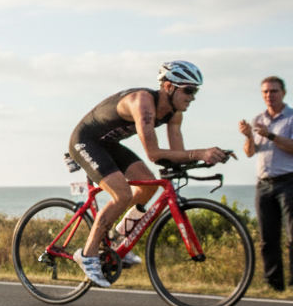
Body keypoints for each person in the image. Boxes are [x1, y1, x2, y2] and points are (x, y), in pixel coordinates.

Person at [67, 61, 230, 287]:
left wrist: (205, 158)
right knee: (122, 194)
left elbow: (177, 154)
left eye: (195, 91)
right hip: (86, 142)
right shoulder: (143, 104)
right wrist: (200, 153)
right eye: (188, 90)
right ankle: (87, 254)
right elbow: (154, 154)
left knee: (149, 184)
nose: (192, 97)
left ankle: (116, 238)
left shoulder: (175, 114)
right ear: (168, 87)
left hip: (109, 145)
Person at [239, 76, 293, 292]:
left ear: (283, 93)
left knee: (292, 236)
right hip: (263, 185)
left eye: (274, 91)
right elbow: (249, 153)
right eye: (265, 92)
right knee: (267, 238)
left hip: (288, 182)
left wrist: (270, 135)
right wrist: (248, 137)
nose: (269, 95)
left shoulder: (291, 118)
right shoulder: (258, 119)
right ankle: (273, 284)